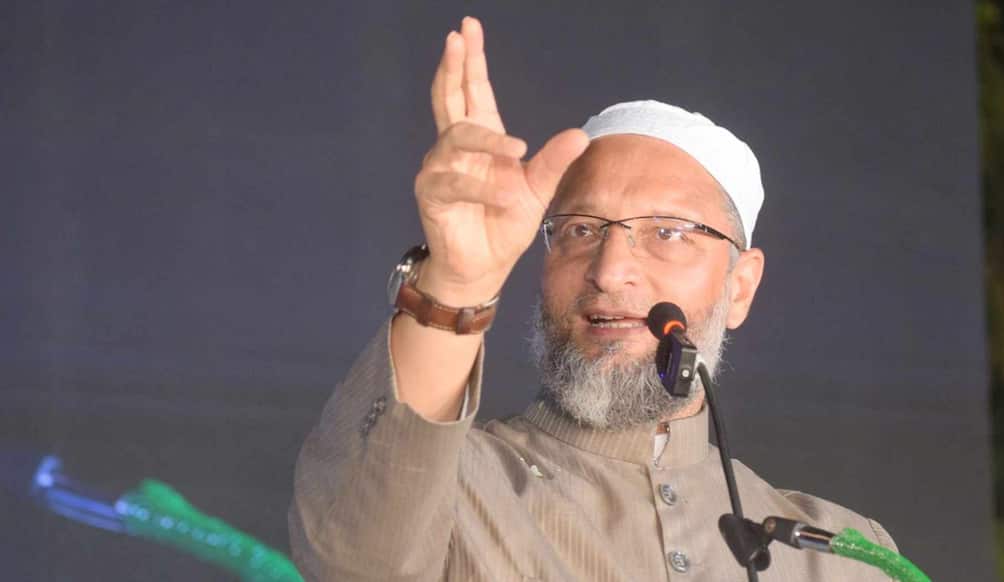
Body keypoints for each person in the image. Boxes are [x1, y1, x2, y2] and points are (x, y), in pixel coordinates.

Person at [289, 16, 896, 582]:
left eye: (668, 233)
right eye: (580, 230)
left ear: (740, 287)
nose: (610, 271)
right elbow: (354, 557)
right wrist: (456, 284)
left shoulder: (845, 555)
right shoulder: (441, 490)